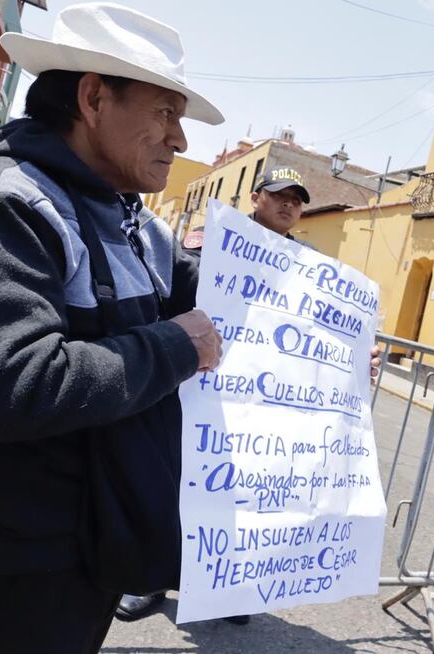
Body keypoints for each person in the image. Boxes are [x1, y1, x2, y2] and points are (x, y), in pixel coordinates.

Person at [0, 4, 224, 653]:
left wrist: (336, 349)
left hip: (90, 560)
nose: (180, 140)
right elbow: (16, 384)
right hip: (5, 574)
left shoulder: (137, 224)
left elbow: (229, 303)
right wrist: (176, 345)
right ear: (94, 96)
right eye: (165, 112)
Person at [115, 168, 383, 623]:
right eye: (280, 195)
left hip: (264, 406)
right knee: (180, 486)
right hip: (204, 385)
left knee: (245, 496)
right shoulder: (212, 244)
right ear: (256, 197)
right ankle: (150, 579)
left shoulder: (311, 266)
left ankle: (226, 590)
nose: (289, 205)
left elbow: (322, 334)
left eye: (298, 199)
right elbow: (179, 296)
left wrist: (356, 360)